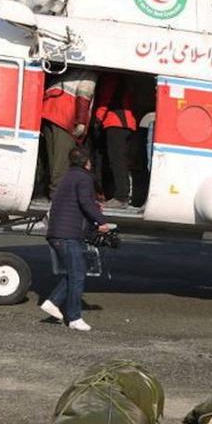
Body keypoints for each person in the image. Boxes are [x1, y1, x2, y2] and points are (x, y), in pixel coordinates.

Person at [40, 147, 111, 331]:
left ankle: (53, 301)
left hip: (57, 232)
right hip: (68, 235)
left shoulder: (68, 177)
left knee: (75, 271)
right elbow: (85, 202)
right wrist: (101, 221)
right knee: (78, 274)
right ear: (87, 162)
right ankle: (74, 318)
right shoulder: (84, 178)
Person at [40, 68, 97, 198]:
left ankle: (50, 191)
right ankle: (58, 195)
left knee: (52, 157)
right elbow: (84, 94)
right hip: (64, 116)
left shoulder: (68, 72)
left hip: (49, 111)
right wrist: (81, 122)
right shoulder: (90, 72)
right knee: (63, 160)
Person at [92, 74, 137, 208]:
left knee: (116, 161)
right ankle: (119, 195)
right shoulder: (127, 81)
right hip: (127, 123)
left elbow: (106, 98)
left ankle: (121, 197)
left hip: (116, 122)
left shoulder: (112, 78)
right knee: (120, 161)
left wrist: (98, 118)